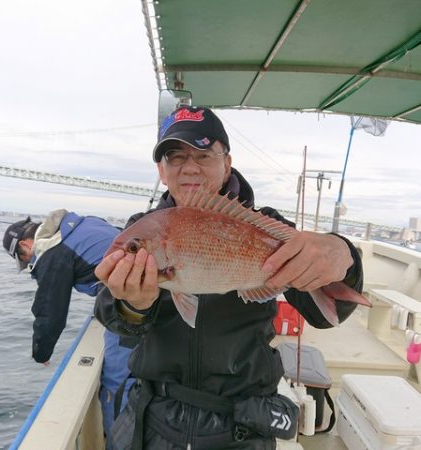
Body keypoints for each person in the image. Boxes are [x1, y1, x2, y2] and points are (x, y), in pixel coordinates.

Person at [94, 106, 364, 449]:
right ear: (162, 171)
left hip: (241, 423)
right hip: (154, 416)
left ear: (227, 163)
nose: (190, 166)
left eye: (204, 154)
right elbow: (111, 318)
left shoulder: (268, 226)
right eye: (176, 157)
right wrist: (134, 304)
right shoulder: (142, 229)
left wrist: (345, 256)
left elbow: (329, 315)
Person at [2, 210, 134, 449]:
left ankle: (121, 443)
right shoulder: (80, 224)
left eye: (24, 258)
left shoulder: (52, 253)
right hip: (150, 290)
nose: (30, 263)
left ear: (25, 244)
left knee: (116, 381)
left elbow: (49, 310)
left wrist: (41, 353)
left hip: (132, 300)